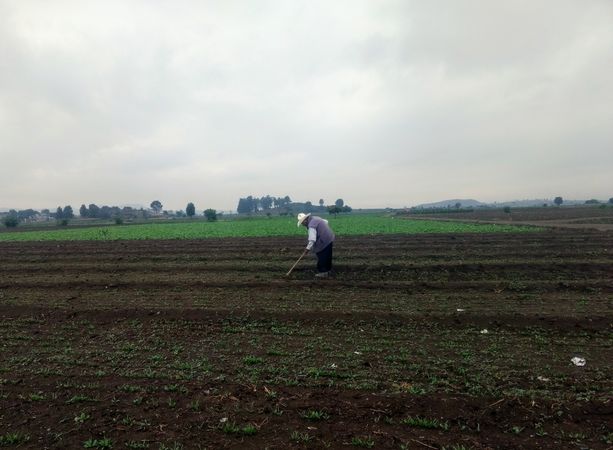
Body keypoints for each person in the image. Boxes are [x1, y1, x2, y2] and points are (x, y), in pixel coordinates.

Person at [297, 213, 335, 278]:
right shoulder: (315, 218)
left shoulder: (311, 225)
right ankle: (328, 271)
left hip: (323, 241)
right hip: (329, 238)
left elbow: (312, 239)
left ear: (305, 220)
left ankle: (323, 272)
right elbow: (326, 221)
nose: (303, 225)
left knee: (322, 256)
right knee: (327, 256)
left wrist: (307, 249)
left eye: (302, 223)